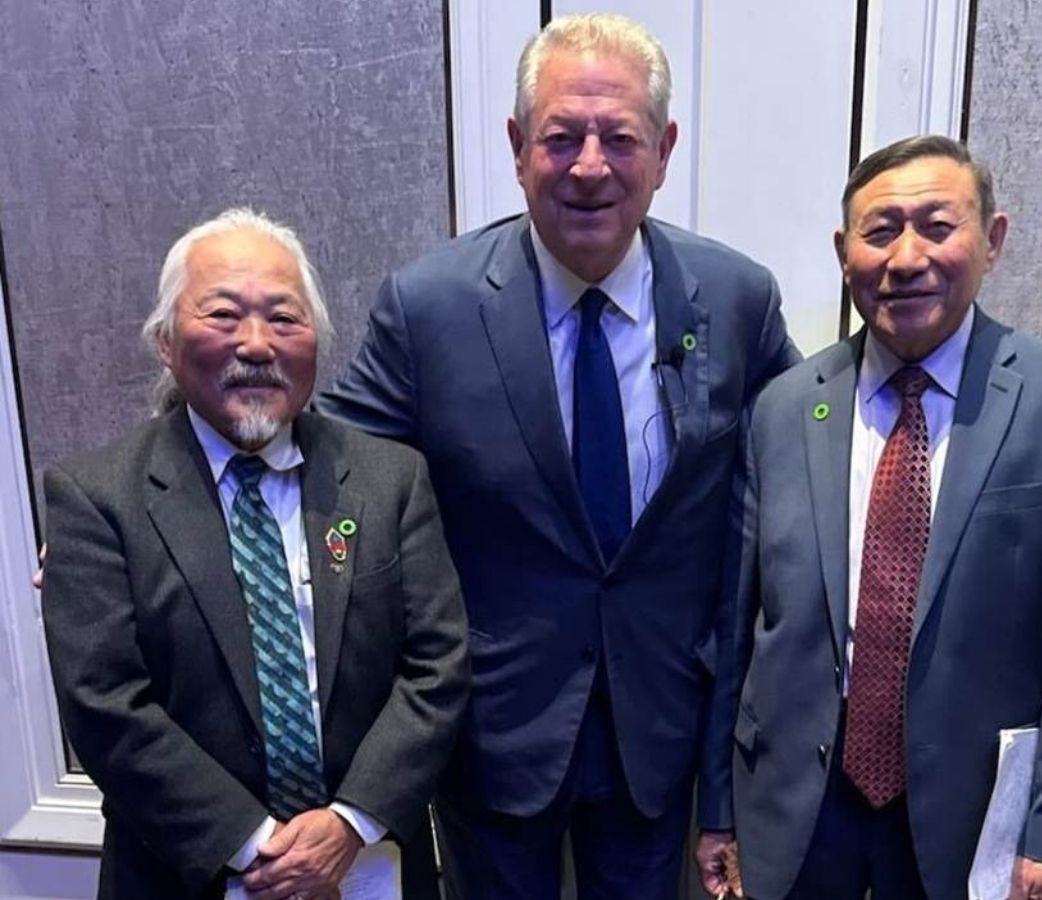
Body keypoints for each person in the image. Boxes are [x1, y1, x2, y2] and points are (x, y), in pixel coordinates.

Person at [316, 13, 798, 899]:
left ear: (664, 150)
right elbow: (324, 464)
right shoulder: (430, 306)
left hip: (659, 721)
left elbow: (808, 454)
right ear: (515, 144)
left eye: (619, 138)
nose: (588, 166)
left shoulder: (734, 297)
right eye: (561, 137)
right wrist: (156, 523)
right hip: (494, 726)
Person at [724, 135, 1042, 900]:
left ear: (993, 239)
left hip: (972, 820)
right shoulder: (784, 409)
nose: (906, 257)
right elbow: (739, 624)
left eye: (938, 227)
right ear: (844, 252)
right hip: (798, 810)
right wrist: (719, 810)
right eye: (880, 232)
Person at [41, 208, 470, 899]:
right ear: (165, 340)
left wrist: (346, 825)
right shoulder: (95, 499)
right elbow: (104, 705)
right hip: (183, 870)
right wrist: (256, 845)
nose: (257, 344)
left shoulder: (392, 480)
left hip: (366, 866)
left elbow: (439, 669)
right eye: (222, 315)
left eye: (284, 318)